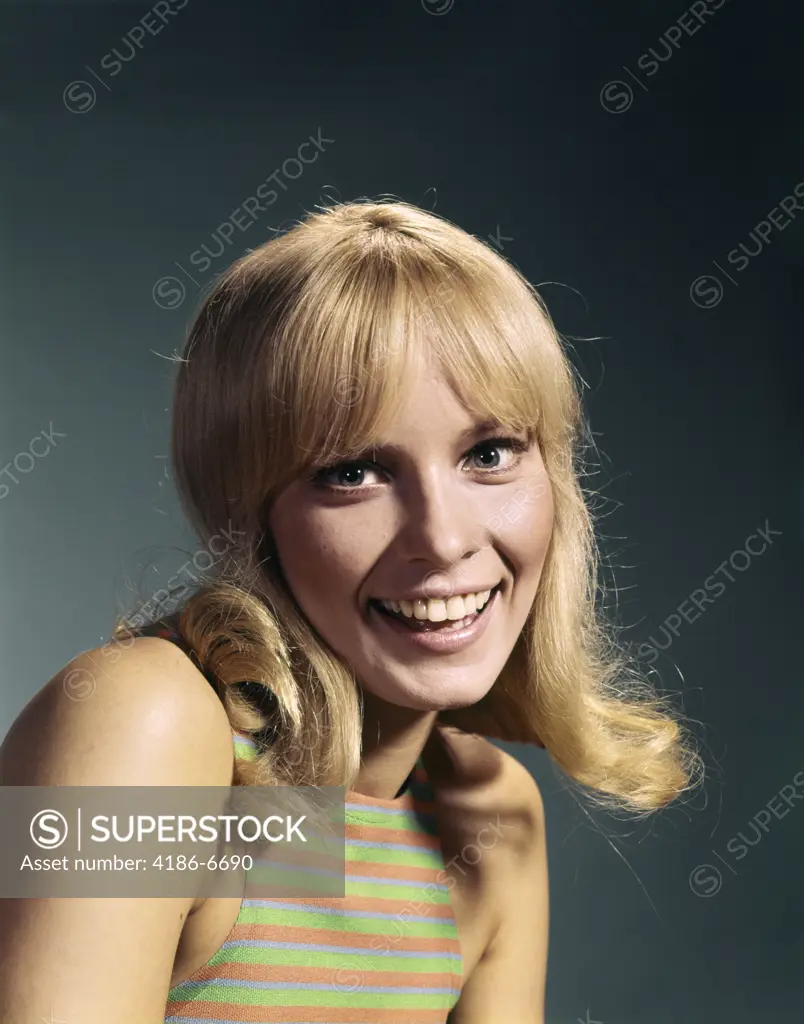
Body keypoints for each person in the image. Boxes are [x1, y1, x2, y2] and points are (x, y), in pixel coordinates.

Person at [0, 199, 701, 1023]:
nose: (442, 539)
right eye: (354, 472)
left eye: (489, 454)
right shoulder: (143, 721)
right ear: (251, 516)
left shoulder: (487, 816)